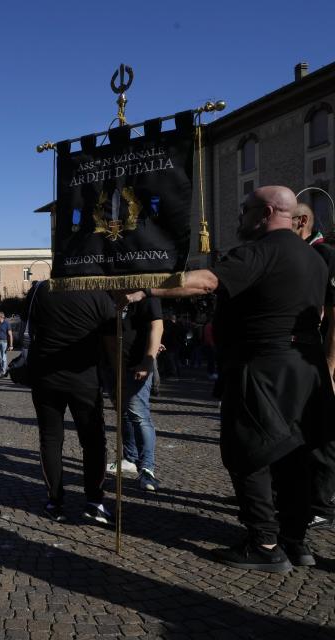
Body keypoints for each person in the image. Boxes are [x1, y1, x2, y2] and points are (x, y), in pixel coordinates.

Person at [123, 186, 333, 572]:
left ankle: (264, 543)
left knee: (249, 452)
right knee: (296, 456)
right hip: (306, 369)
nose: (240, 218)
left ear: (267, 212)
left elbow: (205, 282)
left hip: (264, 365)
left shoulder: (258, 252)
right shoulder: (315, 258)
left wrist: (144, 288)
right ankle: (295, 540)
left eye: (245, 210)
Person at [27, 280, 116, 524]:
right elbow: (111, 342)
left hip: (46, 376)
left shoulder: (41, 290)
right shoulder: (98, 293)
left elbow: (32, 327)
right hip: (84, 379)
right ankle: (94, 500)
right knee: (94, 441)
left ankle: (54, 500)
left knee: (51, 439)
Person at [292, 202, 335, 531]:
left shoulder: (325, 255)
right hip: (300, 359)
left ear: (302, 221)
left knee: (321, 435)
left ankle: (320, 502)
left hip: (321, 360)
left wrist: (331, 366)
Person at [104, 295, 163, 491]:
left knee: (139, 415)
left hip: (135, 364)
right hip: (113, 365)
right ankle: (130, 458)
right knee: (123, 412)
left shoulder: (146, 295)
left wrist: (147, 360)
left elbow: (157, 326)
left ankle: (147, 469)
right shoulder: (108, 293)